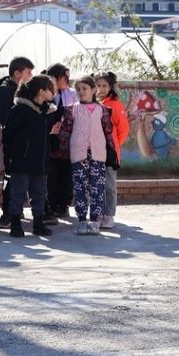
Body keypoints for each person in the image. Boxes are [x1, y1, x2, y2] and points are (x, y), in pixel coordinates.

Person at [57, 76, 118, 236]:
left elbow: (108, 134)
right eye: (78, 89)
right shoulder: (72, 109)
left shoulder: (103, 110)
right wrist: (62, 154)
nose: (81, 92)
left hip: (98, 155)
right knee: (80, 188)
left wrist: (112, 155)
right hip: (78, 154)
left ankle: (94, 220)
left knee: (97, 188)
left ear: (93, 90)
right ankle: (82, 220)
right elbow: (65, 133)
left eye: (85, 88)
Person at [2, 75, 56, 237]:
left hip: (40, 162)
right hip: (21, 161)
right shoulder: (19, 110)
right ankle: (16, 224)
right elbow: (9, 135)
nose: (54, 93)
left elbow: (48, 137)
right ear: (41, 91)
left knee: (39, 193)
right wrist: (8, 159)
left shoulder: (47, 112)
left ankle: (38, 223)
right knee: (18, 193)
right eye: (51, 89)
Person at [0, 56, 35, 230]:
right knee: (9, 178)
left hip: (23, 142)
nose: (31, 75)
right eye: (28, 72)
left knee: (21, 177)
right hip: (12, 143)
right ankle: (7, 213)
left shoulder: (23, 89)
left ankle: (16, 209)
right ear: (17, 74)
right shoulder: (6, 91)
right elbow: (4, 118)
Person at [95, 72, 129, 230]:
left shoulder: (115, 104)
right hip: (94, 151)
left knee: (109, 185)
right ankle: (99, 213)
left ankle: (109, 215)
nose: (101, 89)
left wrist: (113, 145)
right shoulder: (92, 103)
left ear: (110, 87)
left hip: (109, 151)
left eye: (104, 86)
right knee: (96, 184)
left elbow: (123, 129)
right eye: (98, 85)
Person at [45, 63, 77, 221]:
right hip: (50, 140)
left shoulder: (72, 94)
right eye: (64, 77)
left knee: (66, 175)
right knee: (51, 175)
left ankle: (63, 205)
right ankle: (50, 205)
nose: (67, 80)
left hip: (68, 142)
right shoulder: (46, 92)